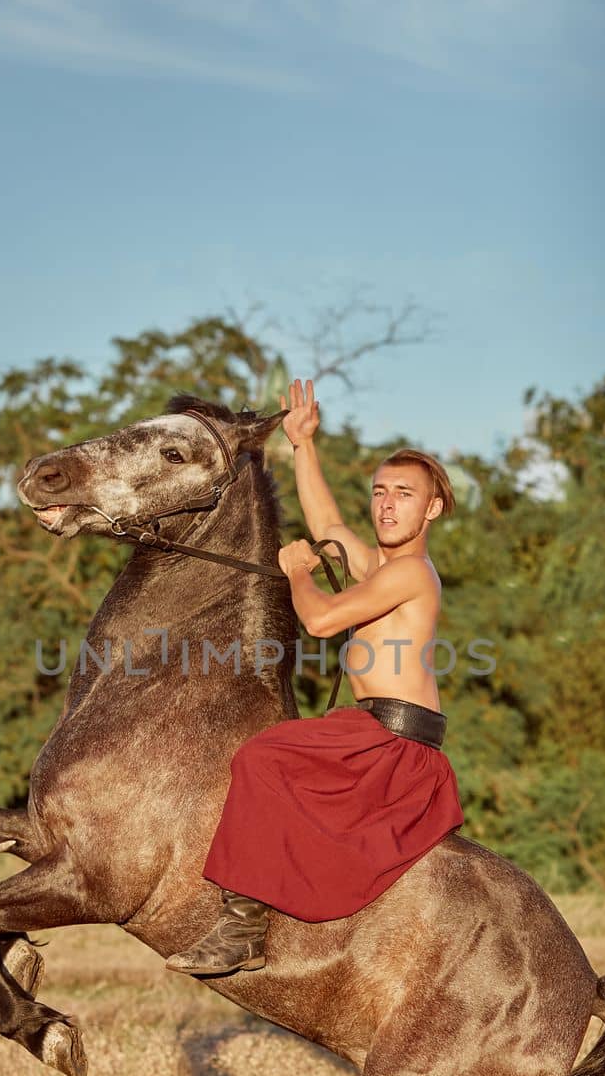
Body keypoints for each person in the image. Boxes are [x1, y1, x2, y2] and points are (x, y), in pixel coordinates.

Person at [165, 377, 464, 977]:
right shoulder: (385, 566)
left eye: (404, 494)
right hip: (374, 730)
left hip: (396, 744)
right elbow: (328, 523)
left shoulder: (411, 575)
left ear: (430, 508)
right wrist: (303, 445)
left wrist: (298, 571)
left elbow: (323, 620)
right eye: (380, 491)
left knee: (262, 757)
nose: (386, 504)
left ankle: (244, 926)